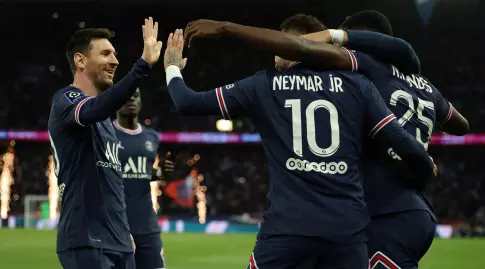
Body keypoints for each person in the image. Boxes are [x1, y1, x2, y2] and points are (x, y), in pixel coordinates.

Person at [186, 10, 468, 269]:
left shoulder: (365, 68)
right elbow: (460, 125)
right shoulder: (424, 85)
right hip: (416, 209)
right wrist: (422, 157)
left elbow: (301, 48)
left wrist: (225, 28)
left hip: (387, 213)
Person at [48, 17, 162, 269]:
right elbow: (94, 109)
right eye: (106, 53)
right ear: (80, 60)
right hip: (86, 241)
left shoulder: (107, 122)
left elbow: (113, 182)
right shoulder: (66, 100)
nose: (115, 61)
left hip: (120, 242)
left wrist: (123, 231)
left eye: (115, 54)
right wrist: (142, 66)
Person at [114, 88, 173, 269]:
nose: (131, 98)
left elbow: (142, 174)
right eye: (126, 94)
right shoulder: (105, 134)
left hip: (147, 227)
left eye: (136, 95)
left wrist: (161, 173)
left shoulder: (152, 137)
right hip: (116, 228)